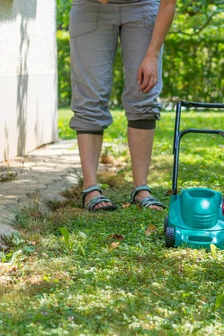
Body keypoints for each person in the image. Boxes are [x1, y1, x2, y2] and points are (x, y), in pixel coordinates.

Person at [69, 0, 177, 211]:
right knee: (90, 95)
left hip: (143, 6)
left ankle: (141, 189)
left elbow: (169, 3)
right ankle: (90, 189)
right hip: (91, 7)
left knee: (144, 92)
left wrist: (152, 55)